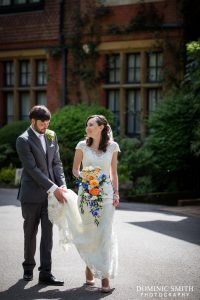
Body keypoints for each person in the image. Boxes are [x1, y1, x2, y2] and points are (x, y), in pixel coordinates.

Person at [16, 105, 67, 285]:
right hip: (31, 196)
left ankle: (46, 273)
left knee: (48, 235)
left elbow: (57, 164)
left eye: (47, 123)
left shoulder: (52, 135)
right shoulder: (23, 140)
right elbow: (32, 169)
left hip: (51, 196)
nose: (45, 126)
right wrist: (55, 188)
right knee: (30, 233)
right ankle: (28, 268)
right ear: (33, 121)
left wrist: (62, 186)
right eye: (42, 123)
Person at [72, 114, 120, 292]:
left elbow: (113, 173)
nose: (88, 127)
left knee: (104, 233)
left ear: (101, 127)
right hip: (86, 194)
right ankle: (89, 267)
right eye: (87, 124)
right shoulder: (82, 146)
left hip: (106, 195)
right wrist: (88, 176)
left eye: (91, 124)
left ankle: (105, 278)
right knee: (90, 232)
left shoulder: (113, 146)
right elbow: (75, 170)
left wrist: (116, 192)